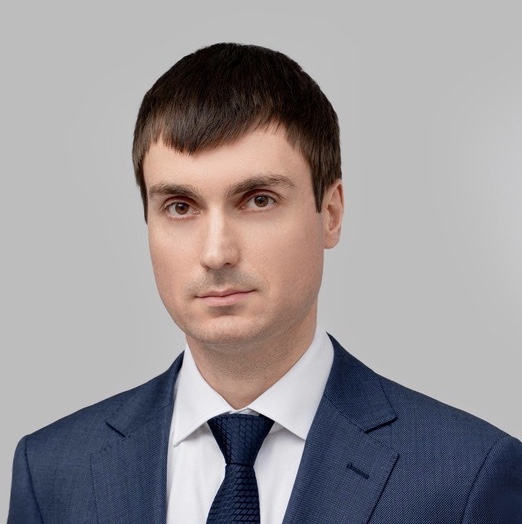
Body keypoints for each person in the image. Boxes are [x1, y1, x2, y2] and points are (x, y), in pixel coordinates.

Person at [8, 42, 522, 523]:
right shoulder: (51, 472)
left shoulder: (467, 478)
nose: (216, 253)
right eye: (180, 207)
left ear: (331, 213)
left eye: (258, 200)